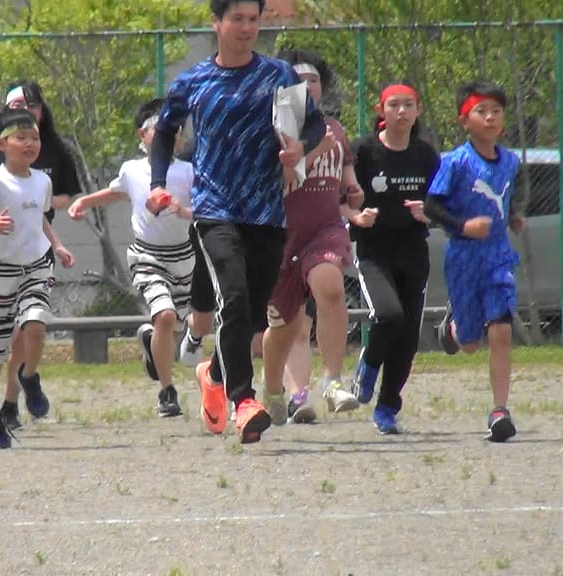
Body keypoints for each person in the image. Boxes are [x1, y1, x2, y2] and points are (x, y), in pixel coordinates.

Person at [149, 0, 325, 444]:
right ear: (217, 23)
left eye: (253, 20)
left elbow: (314, 125)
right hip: (215, 210)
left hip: (267, 212)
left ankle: (214, 373)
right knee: (234, 297)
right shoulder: (193, 81)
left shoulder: (278, 75)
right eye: (237, 19)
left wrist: (300, 148)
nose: (247, 28)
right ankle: (243, 401)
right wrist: (157, 182)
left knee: (253, 317)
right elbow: (165, 131)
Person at [0, 80, 81, 430]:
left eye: (34, 138)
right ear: (1, 143)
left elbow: (39, 216)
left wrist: (57, 245)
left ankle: (28, 376)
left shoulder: (43, 180)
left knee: (36, 325)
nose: (30, 144)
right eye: (21, 138)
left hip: (36, 264)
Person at [68, 98, 194, 417]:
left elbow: (203, 208)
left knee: (173, 326)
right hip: (147, 256)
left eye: (175, 129)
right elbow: (116, 191)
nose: (169, 134)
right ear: (142, 134)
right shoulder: (132, 170)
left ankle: (151, 344)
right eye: (160, 128)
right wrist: (85, 202)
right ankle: (167, 391)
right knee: (165, 316)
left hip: (185, 258)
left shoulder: (189, 171)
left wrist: (183, 210)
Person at [261, 50, 364, 424]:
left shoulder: (336, 129)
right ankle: (277, 389)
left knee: (331, 288)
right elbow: (287, 177)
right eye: (298, 80)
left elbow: (348, 183)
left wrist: (354, 196)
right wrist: (313, 146)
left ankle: (331, 381)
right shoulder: (271, 131)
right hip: (280, 235)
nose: (307, 86)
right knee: (287, 326)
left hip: (324, 230)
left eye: (314, 80)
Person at [425, 80, 522, 443]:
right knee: (469, 344)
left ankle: (499, 410)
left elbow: (508, 194)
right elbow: (433, 206)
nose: (490, 117)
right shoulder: (455, 162)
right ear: (464, 120)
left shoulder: (510, 161)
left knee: (501, 330)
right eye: (481, 111)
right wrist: (463, 226)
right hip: (463, 255)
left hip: (498, 254)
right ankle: (453, 329)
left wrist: (514, 217)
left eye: (496, 111)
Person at [349, 82, 441, 434]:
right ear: (381, 111)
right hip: (374, 250)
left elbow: (441, 204)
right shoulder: (363, 152)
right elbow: (342, 197)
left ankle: (387, 408)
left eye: (408, 105)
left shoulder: (426, 155)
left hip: (413, 250)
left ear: (417, 111)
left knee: (407, 337)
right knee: (389, 315)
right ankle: (368, 366)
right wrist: (356, 217)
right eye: (394, 105)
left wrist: (428, 213)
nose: (401, 112)